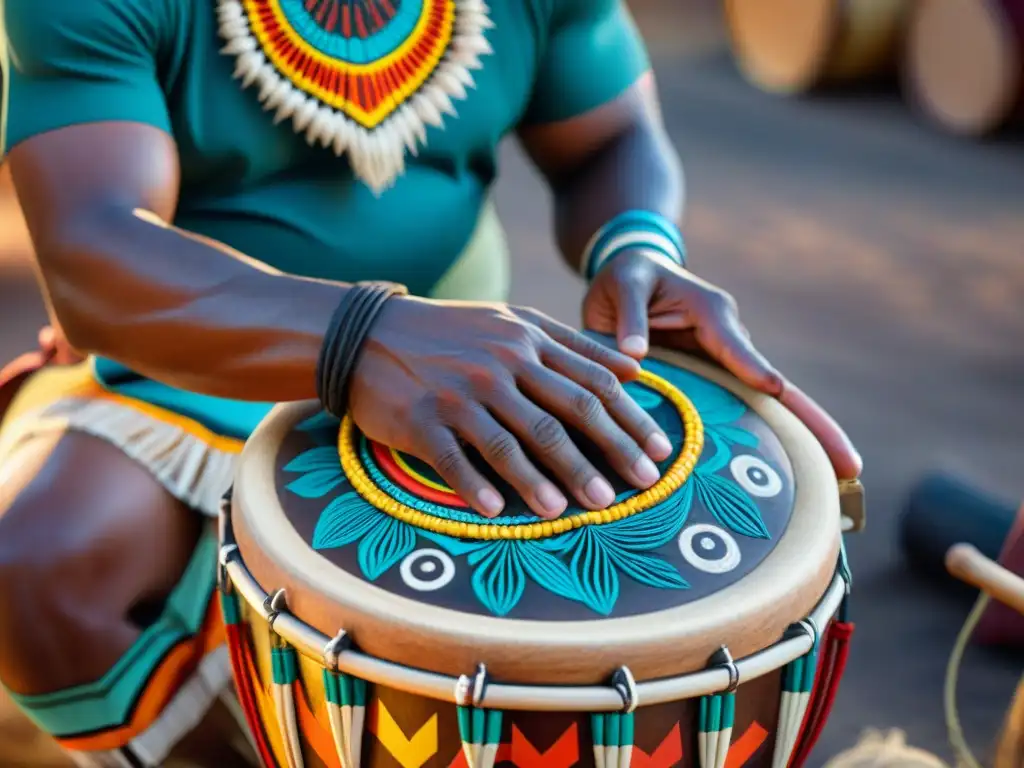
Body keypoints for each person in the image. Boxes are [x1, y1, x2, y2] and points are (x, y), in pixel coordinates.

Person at [0, 0, 862, 764]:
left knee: (599, 588)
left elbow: (608, 136)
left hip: (466, 344)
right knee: (36, 569)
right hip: (192, 344)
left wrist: (636, 250)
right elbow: (90, 256)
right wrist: (362, 339)